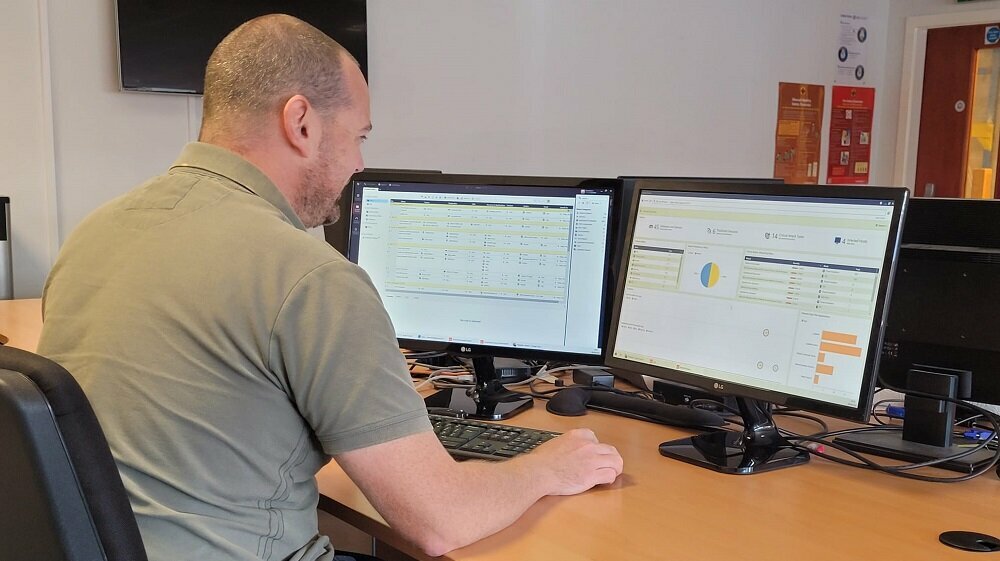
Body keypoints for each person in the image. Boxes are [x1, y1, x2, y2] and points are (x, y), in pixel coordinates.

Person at [36, 14, 623, 561]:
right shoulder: (309, 278)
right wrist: (547, 467)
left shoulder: (94, 234)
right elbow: (440, 519)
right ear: (301, 123)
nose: (359, 164)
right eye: (358, 136)